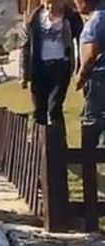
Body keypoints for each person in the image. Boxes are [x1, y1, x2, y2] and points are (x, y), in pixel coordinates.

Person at [20, 0, 83, 149]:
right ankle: (38, 148)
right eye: (46, 2)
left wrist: (80, 68)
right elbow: (25, 47)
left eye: (53, 2)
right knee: (38, 109)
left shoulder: (71, 17)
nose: (49, 6)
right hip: (39, 68)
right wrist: (24, 74)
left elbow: (82, 41)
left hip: (61, 67)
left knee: (54, 106)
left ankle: (59, 147)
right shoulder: (34, 19)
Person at [75, 0, 105, 148]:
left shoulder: (97, 20)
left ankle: (92, 160)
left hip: (98, 80)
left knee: (93, 120)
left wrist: (80, 77)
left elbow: (91, 52)